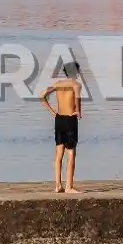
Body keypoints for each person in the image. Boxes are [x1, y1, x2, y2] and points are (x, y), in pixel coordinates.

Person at [40, 61, 83, 194]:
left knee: (58, 154)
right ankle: (69, 186)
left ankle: (58, 185)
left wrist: (52, 112)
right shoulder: (76, 85)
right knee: (71, 154)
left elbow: (41, 96)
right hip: (70, 120)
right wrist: (79, 112)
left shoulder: (57, 85)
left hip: (59, 119)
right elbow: (77, 101)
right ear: (75, 72)